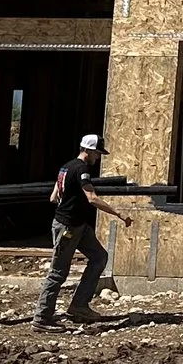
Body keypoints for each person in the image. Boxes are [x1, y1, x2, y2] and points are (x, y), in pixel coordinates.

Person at [35, 134, 128, 331]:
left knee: (99, 257)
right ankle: (42, 318)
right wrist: (118, 214)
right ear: (89, 151)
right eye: (97, 153)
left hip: (76, 226)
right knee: (58, 272)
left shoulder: (66, 167)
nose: (98, 157)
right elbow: (92, 198)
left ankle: (79, 305)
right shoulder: (81, 169)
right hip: (69, 227)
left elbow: (54, 197)